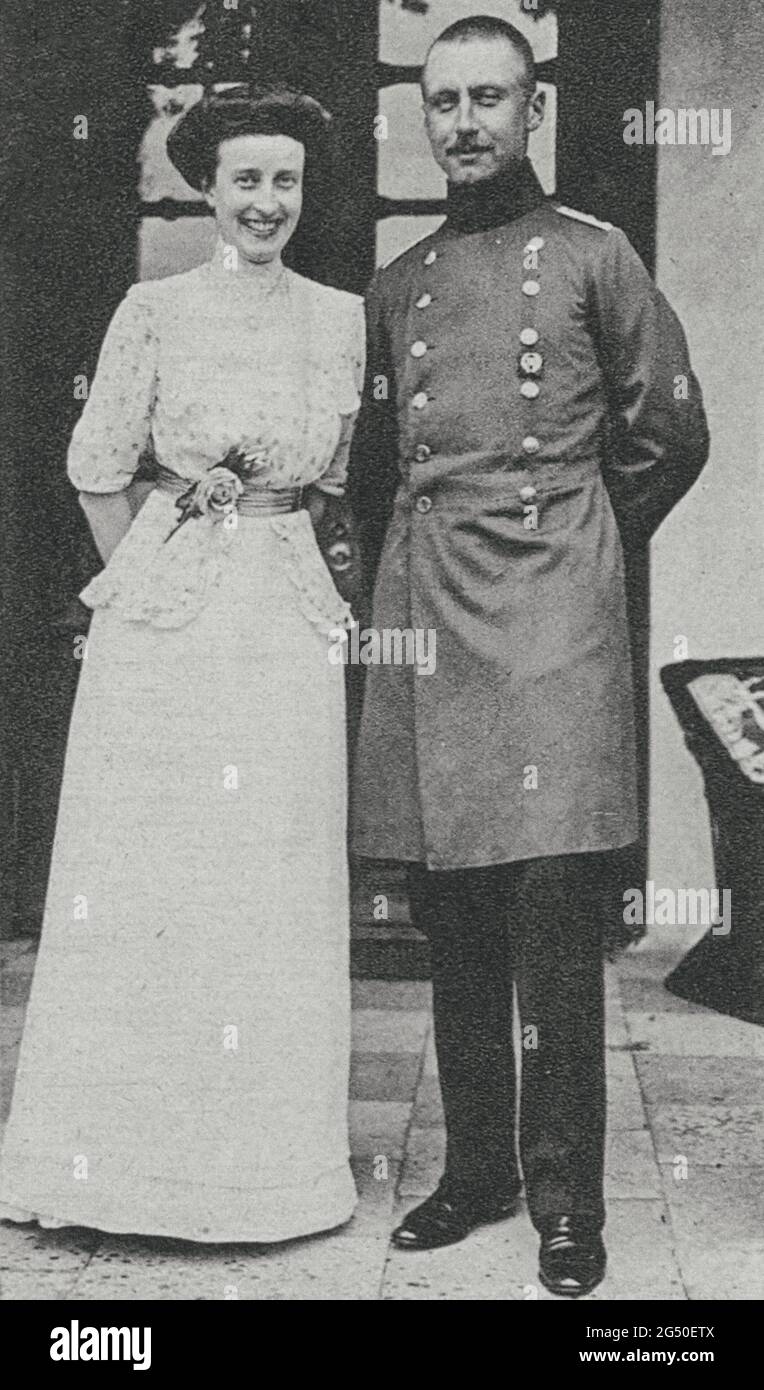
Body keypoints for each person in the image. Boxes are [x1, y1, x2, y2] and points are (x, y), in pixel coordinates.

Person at [349, 17, 709, 1296]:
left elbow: (668, 430)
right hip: (431, 620)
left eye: (486, 98)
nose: (460, 122)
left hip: (554, 620)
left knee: (554, 922)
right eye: (441, 100)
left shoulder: (595, 258)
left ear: (530, 107)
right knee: (455, 922)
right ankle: (478, 1176)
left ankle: (564, 1198)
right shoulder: (401, 281)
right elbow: (375, 467)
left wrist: (571, 535)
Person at [0, 86, 365, 1243]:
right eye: (245, 179)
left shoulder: (339, 316)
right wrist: (160, 580)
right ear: (207, 188)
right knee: (160, 868)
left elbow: (334, 480)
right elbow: (97, 463)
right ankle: (125, 1165)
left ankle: (262, 1168)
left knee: (270, 870)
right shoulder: (152, 309)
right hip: (170, 629)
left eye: (286, 180)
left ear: (305, 192)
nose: (266, 201)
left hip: (285, 614)